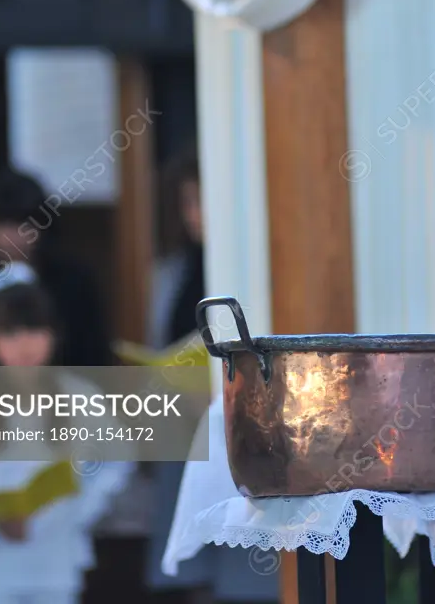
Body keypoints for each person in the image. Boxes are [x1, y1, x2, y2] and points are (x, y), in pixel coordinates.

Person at [0, 262, 133, 604]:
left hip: (54, 569)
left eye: (35, 329)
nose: (24, 343)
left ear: (54, 334)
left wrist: (79, 509)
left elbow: (118, 461)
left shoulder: (80, 398)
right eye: (10, 332)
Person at [145, 144, 278, 604]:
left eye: (204, 200)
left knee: (244, 547)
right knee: (191, 561)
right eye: (187, 202)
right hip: (185, 425)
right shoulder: (171, 273)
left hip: (245, 421)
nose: (196, 214)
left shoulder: (257, 269)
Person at [0, 166, 113, 367]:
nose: (13, 236)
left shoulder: (75, 283)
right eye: (2, 224)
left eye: (24, 224)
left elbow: (93, 354)